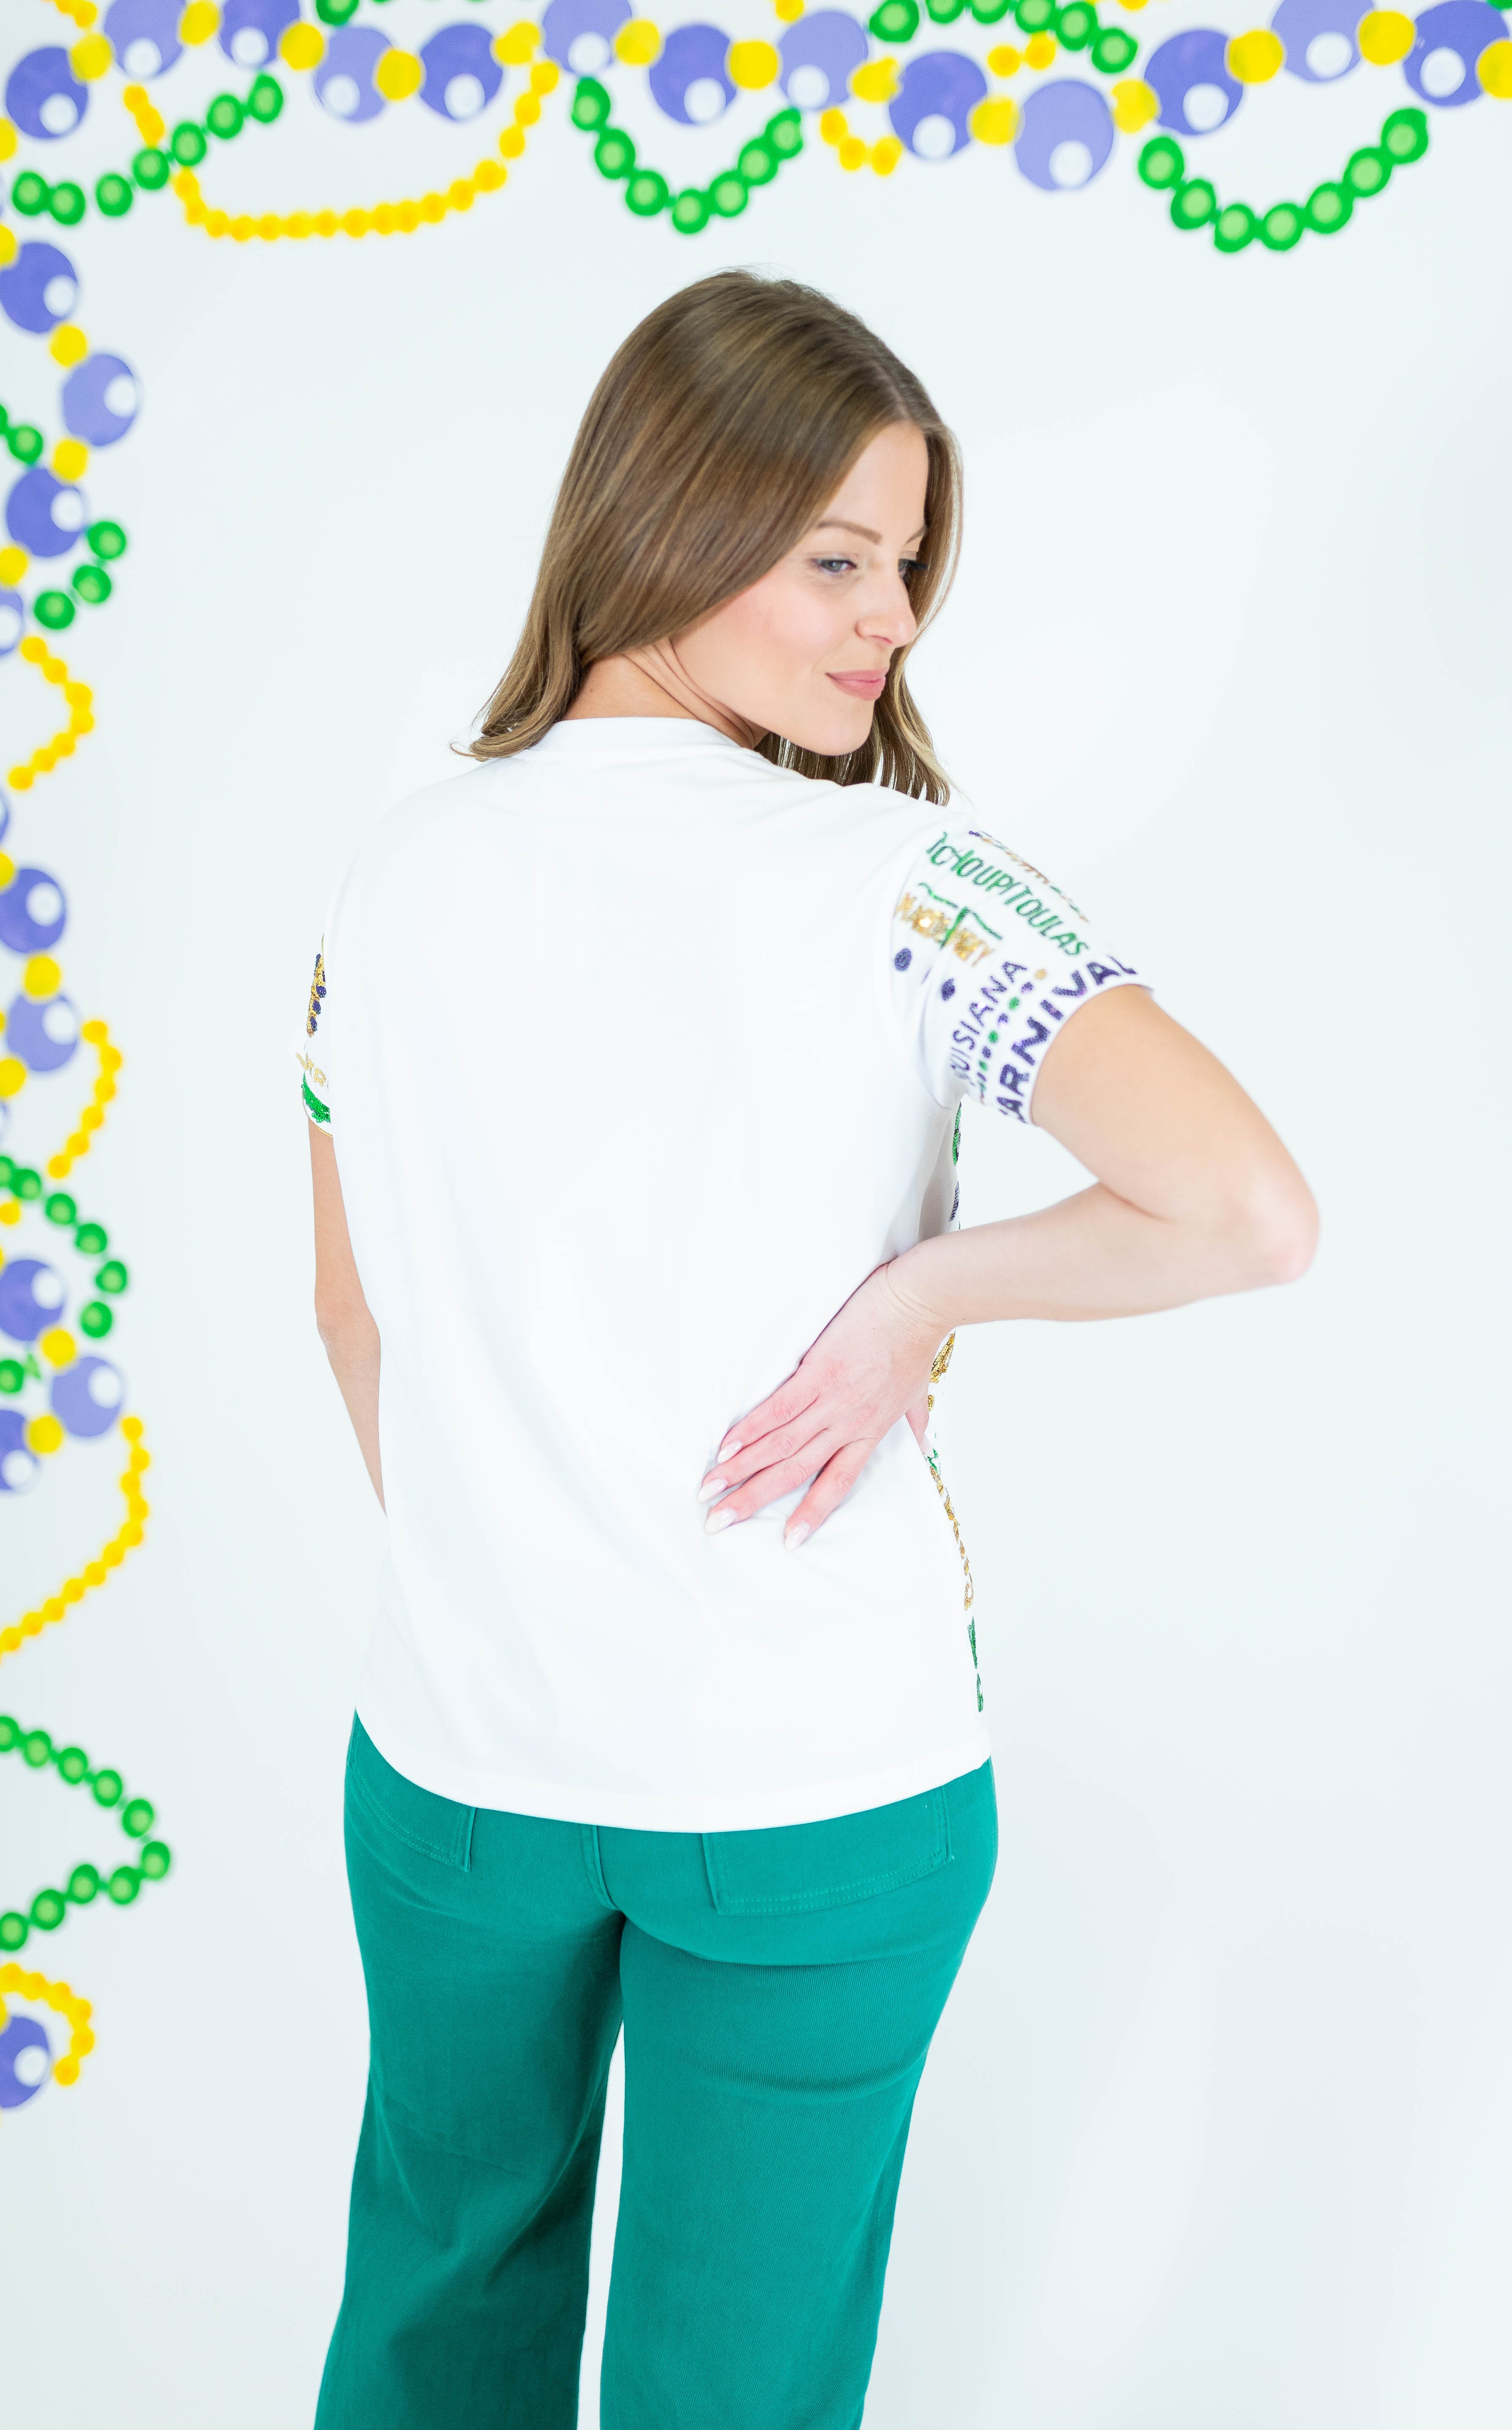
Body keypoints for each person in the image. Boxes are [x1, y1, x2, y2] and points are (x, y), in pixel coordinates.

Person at [298, 270, 1317, 2430]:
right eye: (837, 559)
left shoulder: (389, 879)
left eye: (907, 567)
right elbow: (1243, 1209)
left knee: (434, 2301)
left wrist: (518, 1561)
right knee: (736, 2387)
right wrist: (913, 1303)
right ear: (669, 516)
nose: (892, 622)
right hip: (808, 1788)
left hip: (457, 1772)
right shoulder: (910, 883)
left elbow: (351, 1307)